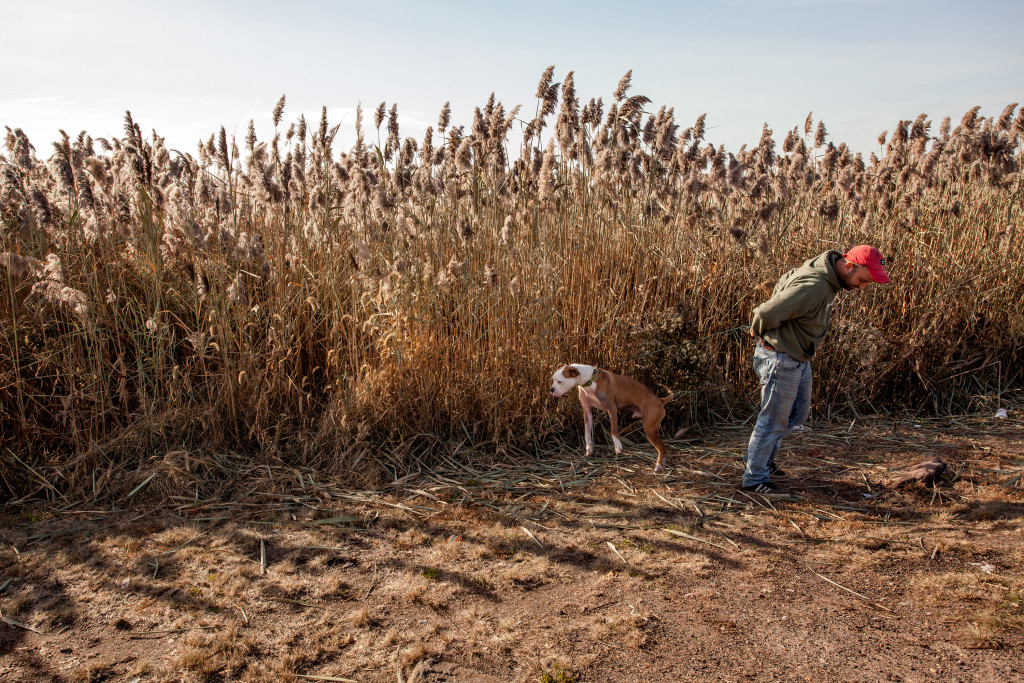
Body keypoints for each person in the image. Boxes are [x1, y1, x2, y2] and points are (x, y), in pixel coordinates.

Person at [741, 245, 890, 495]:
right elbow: (766, 312)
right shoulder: (815, 285)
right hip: (781, 358)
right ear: (849, 266)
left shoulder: (829, 274)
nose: (863, 288)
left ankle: (760, 459)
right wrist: (759, 331)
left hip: (798, 357)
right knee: (772, 421)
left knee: (797, 414)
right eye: (863, 280)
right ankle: (755, 478)